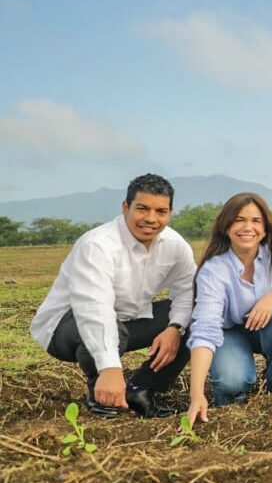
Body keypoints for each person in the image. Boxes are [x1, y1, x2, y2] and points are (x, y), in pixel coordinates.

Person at [31, 173, 195, 417]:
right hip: (66, 328)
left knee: (197, 316)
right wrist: (110, 368)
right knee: (109, 328)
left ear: (170, 213)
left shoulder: (175, 245)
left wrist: (175, 328)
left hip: (127, 320)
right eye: (142, 209)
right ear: (125, 207)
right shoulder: (97, 245)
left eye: (161, 211)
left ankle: (141, 389)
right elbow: (94, 309)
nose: (151, 219)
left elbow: (186, 290)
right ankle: (101, 391)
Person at [185, 193, 272, 423]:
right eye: (239, 220)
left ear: (265, 226)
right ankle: (231, 404)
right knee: (231, 380)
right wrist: (196, 393)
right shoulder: (214, 269)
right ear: (226, 225)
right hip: (229, 332)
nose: (247, 227)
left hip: (268, 327)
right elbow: (205, 329)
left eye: (256, 221)